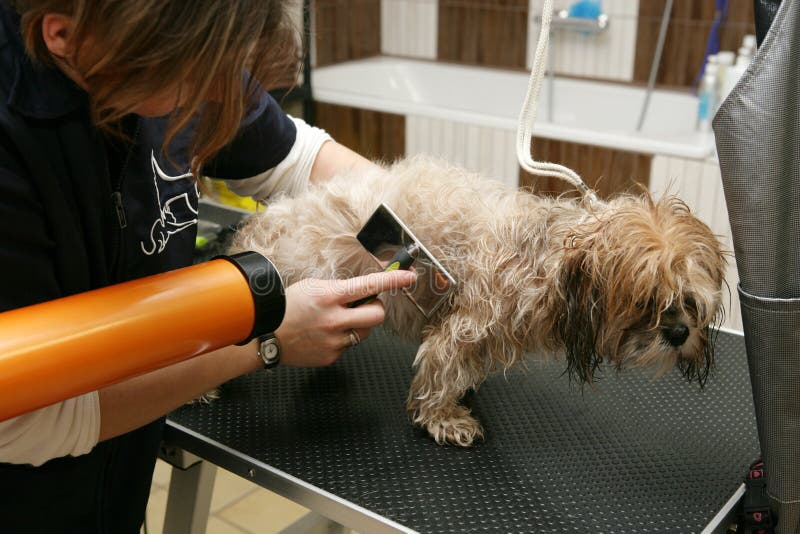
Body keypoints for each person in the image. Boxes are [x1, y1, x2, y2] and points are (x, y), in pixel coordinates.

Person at [0, 1, 415, 531]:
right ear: (64, 37)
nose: (220, 95)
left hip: (118, 479)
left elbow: (295, 160)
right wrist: (266, 343)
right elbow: (24, 419)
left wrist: (412, 234)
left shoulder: (176, 41)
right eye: (197, 78)